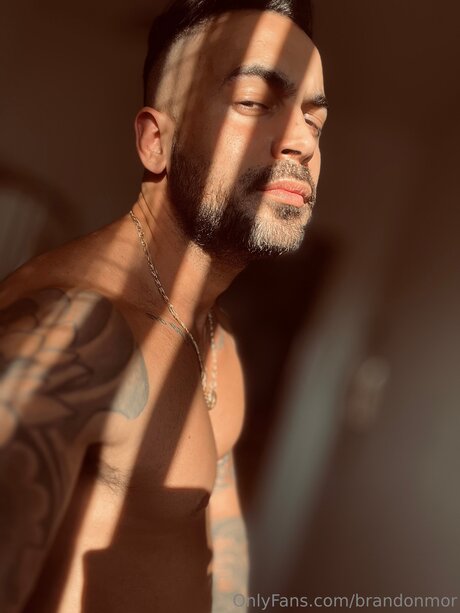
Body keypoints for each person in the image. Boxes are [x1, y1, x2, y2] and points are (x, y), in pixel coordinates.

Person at [0, 0, 327, 610]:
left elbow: (215, 551)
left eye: (315, 119)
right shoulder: (71, 330)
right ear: (157, 142)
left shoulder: (215, 338)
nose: (302, 142)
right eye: (256, 102)